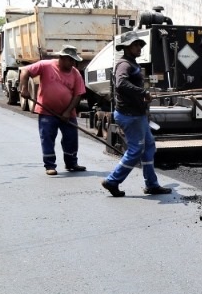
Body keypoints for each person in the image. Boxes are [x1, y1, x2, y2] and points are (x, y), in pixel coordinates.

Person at [100, 33, 172, 197]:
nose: (139, 48)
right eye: (135, 45)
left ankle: (151, 184)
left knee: (149, 146)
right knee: (136, 150)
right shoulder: (124, 64)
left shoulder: (133, 63)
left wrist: (144, 105)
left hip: (137, 115)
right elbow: (121, 83)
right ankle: (112, 181)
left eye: (140, 45)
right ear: (126, 47)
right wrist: (143, 92)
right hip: (130, 115)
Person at [17, 46, 88, 176]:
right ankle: (50, 165)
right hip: (47, 111)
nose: (72, 63)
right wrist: (24, 88)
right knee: (47, 138)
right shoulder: (45, 65)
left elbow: (78, 94)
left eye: (74, 60)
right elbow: (25, 71)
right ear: (62, 58)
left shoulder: (75, 73)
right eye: (70, 60)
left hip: (68, 113)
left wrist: (67, 112)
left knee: (71, 138)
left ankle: (71, 163)